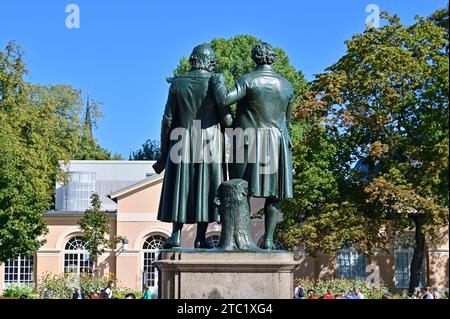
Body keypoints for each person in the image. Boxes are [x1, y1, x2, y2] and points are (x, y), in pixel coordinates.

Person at [211, 42, 294, 249]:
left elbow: (224, 99)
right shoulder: (287, 85)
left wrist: (218, 81)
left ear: (254, 58)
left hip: (249, 141)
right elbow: (287, 119)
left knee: (241, 188)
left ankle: (243, 237)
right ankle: (268, 239)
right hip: (277, 141)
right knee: (274, 194)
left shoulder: (248, 80)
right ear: (272, 58)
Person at [153, 44, 232, 248]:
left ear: (193, 60)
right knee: (206, 187)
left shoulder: (178, 84)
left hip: (182, 138)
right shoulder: (216, 83)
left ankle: (176, 234)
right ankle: (201, 237)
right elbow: (227, 120)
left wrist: (163, 151)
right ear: (210, 62)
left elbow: (167, 120)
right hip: (211, 141)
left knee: (181, 185)